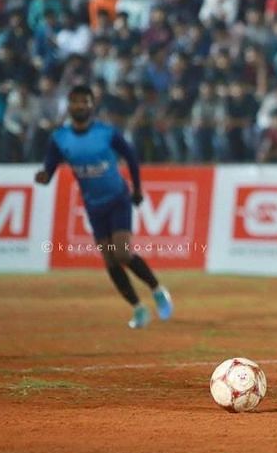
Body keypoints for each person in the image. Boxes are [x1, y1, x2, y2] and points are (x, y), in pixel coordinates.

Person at [34, 85, 173, 329]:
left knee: (122, 252)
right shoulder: (59, 138)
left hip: (118, 198)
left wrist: (138, 189)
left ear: (92, 105)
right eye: (75, 101)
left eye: (85, 101)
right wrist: (44, 176)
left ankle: (157, 289)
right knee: (109, 259)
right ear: (69, 105)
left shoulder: (107, 132)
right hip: (94, 206)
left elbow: (130, 156)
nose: (80, 106)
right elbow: (50, 167)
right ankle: (138, 309)